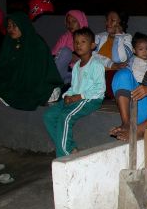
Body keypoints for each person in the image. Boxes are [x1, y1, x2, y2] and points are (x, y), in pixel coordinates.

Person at [0, 12, 63, 117]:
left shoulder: (37, 43)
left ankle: (9, 97)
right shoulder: (9, 42)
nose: (11, 29)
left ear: (23, 25)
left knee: (40, 93)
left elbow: (39, 72)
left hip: (35, 82)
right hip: (14, 80)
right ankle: (7, 96)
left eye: (14, 26)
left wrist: (19, 80)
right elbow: (3, 68)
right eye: (9, 26)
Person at [43, 27, 105, 157]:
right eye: (76, 42)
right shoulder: (77, 65)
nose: (78, 45)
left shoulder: (96, 65)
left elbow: (100, 88)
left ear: (92, 45)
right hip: (76, 97)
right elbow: (74, 86)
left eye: (83, 42)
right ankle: (69, 149)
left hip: (91, 99)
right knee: (49, 116)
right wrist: (67, 95)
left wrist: (79, 96)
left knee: (65, 117)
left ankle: (64, 155)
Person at [95, 10, 133, 99]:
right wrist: (111, 64)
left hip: (113, 73)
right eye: (107, 20)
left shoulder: (127, 38)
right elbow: (92, 55)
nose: (108, 23)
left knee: (116, 76)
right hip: (98, 71)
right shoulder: (99, 37)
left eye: (112, 20)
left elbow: (118, 59)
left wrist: (118, 36)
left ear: (121, 23)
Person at [51, 10, 89, 85]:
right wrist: (67, 57)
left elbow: (90, 58)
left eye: (74, 21)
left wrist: (77, 58)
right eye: (68, 22)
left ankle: (54, 81)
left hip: (80, 73)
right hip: (64, 72)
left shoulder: (88, 37)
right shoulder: (65, 37)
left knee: (66, 52)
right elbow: (53, 56)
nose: (70, 24)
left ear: (80, 21)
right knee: (65, 52)